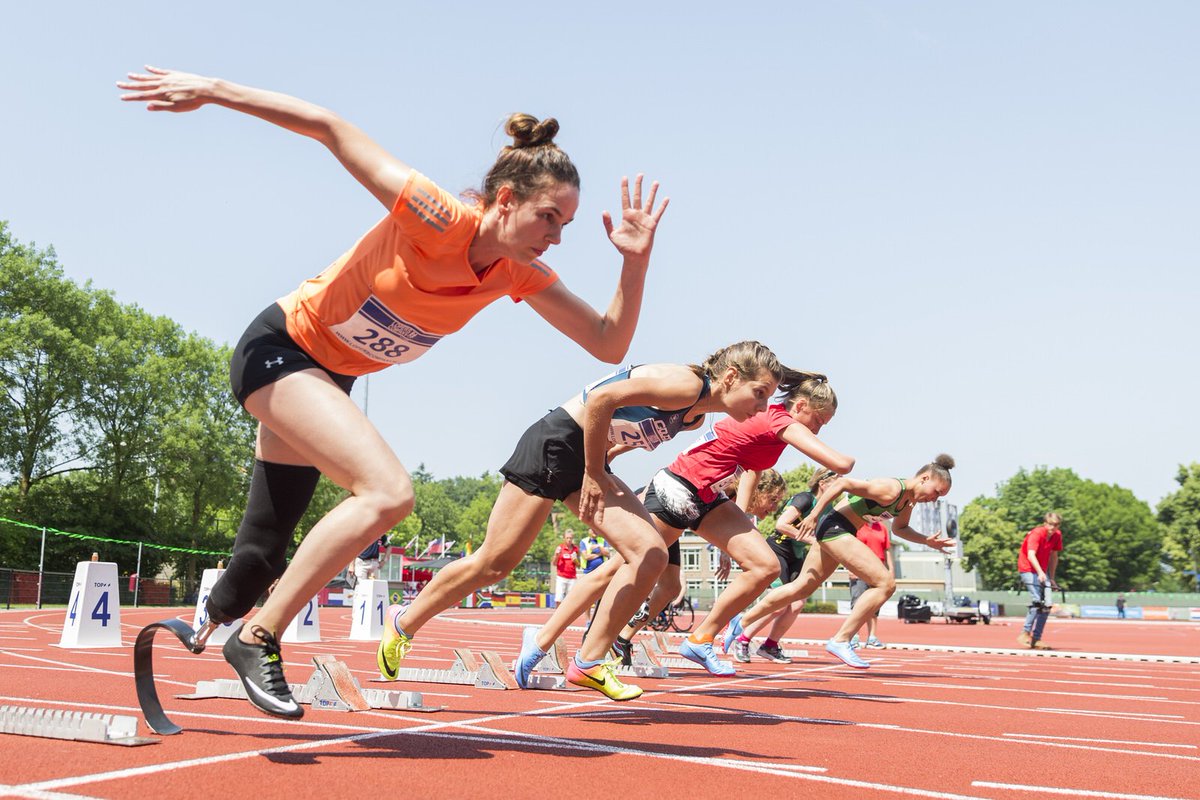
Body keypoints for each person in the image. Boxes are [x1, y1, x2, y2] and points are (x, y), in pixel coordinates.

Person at [119, 66, 670, 719]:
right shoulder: (436, 215)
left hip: (328, 376)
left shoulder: (517, 273)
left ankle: (213, 618)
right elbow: (330, 127)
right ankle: (258, 637)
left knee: (263, 548)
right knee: (388, 493)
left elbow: (608, 343)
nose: (555, 235)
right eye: (548, 216)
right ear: (504, 202)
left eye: (566, 225)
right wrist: (212, 91)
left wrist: (634, 263)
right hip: (281, 351)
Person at [380, 342, 786, 700]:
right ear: (731, 377)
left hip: (591, 460)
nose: (763, 407)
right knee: (494, 564)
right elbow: (600, 401)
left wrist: (602, 470)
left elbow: (618, 429)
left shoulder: (695, 417)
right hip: (555, 446)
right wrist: (594, 471)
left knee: (649, 553)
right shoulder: (683, 385)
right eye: (760, 393)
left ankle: (591, 660)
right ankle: (403, 622)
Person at [526, 371, 854, 680]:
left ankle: (700, 639)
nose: (818, 431)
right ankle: (542, 639)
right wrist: (606, 454)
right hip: (678, 488)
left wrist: (736, 533)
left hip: (709, 498)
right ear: (800, 406)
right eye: (819, 421)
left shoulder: (771, 429)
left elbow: (749, 472)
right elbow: (841, 463)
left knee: (764, 565)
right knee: (617, 568)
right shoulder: (781, 419)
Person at [728, 456, 957, 669]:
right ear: (924, 478)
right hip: (835, 528)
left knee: (800, 588)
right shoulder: (892, 489)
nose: (934, 499)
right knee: (885, 583)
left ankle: (741, 620)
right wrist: (813, 515)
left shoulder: (907, 503)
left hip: (836, 530)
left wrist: (926, 541)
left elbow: (900, 529)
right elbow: (841, 484)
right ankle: (842, 639)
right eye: (936, 492)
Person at [727, 468, 838, 664]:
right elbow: (781, 524)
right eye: (838, 481)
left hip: (796, 554)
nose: (841, 487)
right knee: (780, 604)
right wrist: (814, 541)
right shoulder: (805, 498)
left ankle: (770, 645)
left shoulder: (828, 508)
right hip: (778, 550)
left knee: (797, 604)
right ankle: (742, 639)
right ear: (823, 483)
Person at [1017, 512, 1063, 649]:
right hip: (1028, 568)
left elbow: (1054, 556)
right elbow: (1031, 555)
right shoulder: (1037, 534)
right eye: (1050, 524)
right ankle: (1025, 632)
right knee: (1037, 601)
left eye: (1055, 525)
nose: (1052, 527)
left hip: (1042, 571)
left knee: (1047, 605)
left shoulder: (1057, 536)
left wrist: (1052, 578)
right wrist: (1040, 572)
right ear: (1045, 523)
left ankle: (1036, 639)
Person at [847, 518, 893, 650]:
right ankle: (853, 637)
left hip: (878, 571)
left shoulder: (882, 528)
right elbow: (848, 549)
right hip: (860, 569)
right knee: (858, 603)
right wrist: (850, 567)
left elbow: (887, 550)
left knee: (874, 605)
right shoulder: (858, 526)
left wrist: (891, 570)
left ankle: (872, 638)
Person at [552, 531, 580, 605]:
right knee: (559, 598)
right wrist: (556, 555)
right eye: (567, 538)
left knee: (571, 599)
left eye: (570, 538)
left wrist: (575, 560)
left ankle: (569, 616)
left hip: (572, 577)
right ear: (564, 538)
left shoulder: (576, 549)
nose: (569, 539)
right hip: (561, 577)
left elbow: (579, 565)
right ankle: (558, 615)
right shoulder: (560, 548)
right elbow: (554, 563)